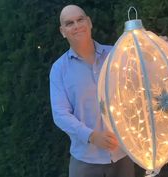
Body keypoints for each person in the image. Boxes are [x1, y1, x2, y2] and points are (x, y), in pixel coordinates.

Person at [49, 4, 135, 177]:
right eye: (69, 23)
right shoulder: (59, 69)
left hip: (123, 155)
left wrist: (157, 47)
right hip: (85, 161)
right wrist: (92, 136)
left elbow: (141, 74)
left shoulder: (116, 55)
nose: (76, 25)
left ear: (89, 22)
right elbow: (60, 114)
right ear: (63, 31)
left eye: (80, 19)